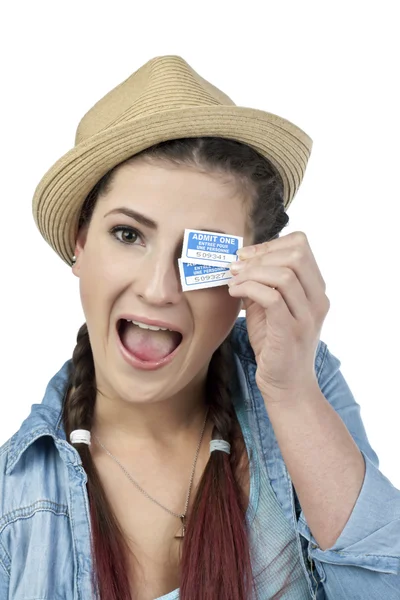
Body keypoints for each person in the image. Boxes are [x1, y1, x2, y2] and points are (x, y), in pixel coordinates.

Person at [0, 56, 399, 600]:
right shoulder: (14, 496)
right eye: (127, 235)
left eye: (199, 254)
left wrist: (291, 393)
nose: (160, 289)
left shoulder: (300, 388)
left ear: (249, 273)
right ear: (80, 242)